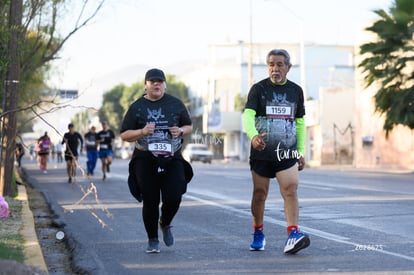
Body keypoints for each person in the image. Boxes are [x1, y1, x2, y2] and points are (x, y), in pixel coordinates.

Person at [242, 49, 310, 254]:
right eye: (271, 64)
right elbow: (248, 116)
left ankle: (293, 234)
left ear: (288, 67)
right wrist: (253, 136)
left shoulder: (296, 91)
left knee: (291, 189)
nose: (275, 68)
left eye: (280, 64)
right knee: (260, 194)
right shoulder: (258, 89)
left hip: (286, 152)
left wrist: (300, 150)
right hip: (262, 151)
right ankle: (258, 232)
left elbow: (299, 122)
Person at [120, 68, 193, 253]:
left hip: (172, 156)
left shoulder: (176, 104)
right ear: (146, 85)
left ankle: (165, 222)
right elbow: (124, 134)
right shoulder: (137, 107)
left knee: (174, 195)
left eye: (160, 82)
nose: (156, 84)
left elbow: (189, 125)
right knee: (151, 200)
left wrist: (181, 131)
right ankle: (152, 239)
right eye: (152, 82)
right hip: (145, 158)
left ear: (164, 85)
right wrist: (142, 132)